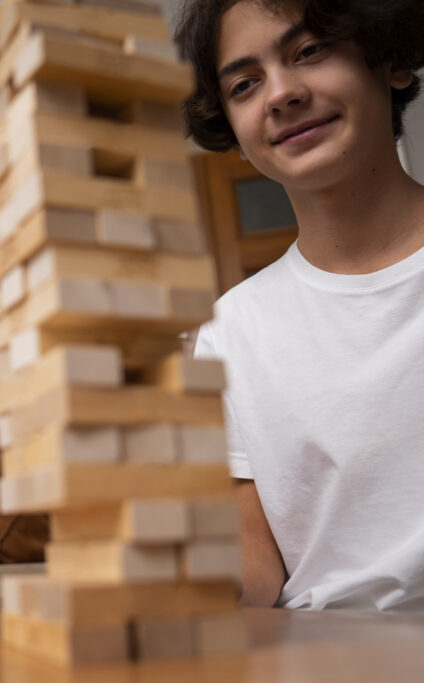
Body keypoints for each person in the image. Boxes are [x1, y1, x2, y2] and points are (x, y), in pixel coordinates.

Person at [174, 0, 424, 610]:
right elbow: (252, 563)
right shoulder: (230, 331)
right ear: (231, 129)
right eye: (244, 84)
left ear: (387, 61)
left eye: (309, 51)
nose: (281, 94)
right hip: (320, 654)